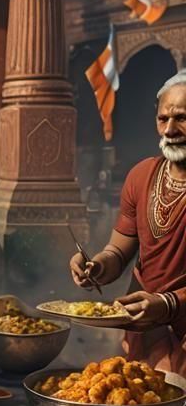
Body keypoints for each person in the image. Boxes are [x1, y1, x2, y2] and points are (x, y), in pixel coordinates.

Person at [70, 68, 186, 372]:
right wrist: (96, 267)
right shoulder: (141, 176)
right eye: (164, 119)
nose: (170, 130)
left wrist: (169, 304)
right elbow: (119, 251)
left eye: (182, 118)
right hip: (143, 327)